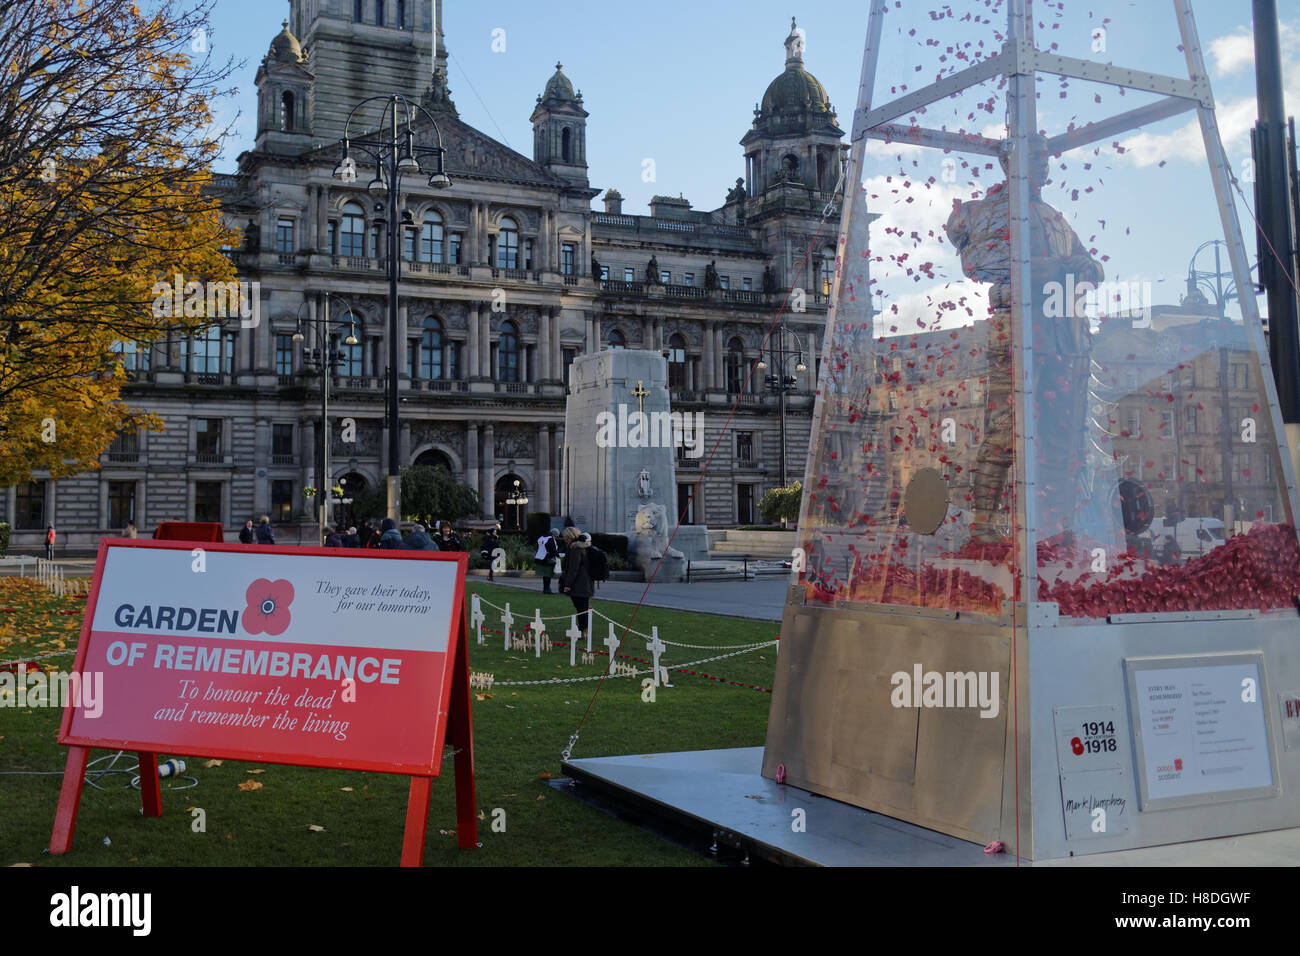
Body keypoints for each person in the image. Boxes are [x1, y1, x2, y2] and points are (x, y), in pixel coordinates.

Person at [944, 132, 1105, 546]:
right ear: (1010, 163)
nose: (1044, 165)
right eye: (1036, 157)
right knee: (1005, 429)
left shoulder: (1053, 216)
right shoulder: (992, 213)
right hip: (1016, 328)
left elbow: (1092, 267)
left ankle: (1053, 528)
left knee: (1057, 432)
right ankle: (984, 524)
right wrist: (1054, 269)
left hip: (1061, 335)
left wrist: (1078, 268)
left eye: (1046, 157)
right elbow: (983, 263)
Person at [559, 526, 594, 646]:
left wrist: (567, 585)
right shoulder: (584, 546)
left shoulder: (575, 548)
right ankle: (584, 631)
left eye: (566, 538)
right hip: (586, 583)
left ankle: (583, 631)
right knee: (583, 608)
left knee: (581, 609)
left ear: (569, 538)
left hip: (579, 583)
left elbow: (573, 569)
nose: (565, 541)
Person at [535, 528, 559, 593]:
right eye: (556, 536)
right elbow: (552, 549)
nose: (556, 538)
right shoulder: (550, 539)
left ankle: (545, 589)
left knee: (545, 575)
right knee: (548, 575)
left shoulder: (542, 537)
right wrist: (557, 555)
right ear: (554, 535)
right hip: (548, 559)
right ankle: (547, 589)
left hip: (540, 558)